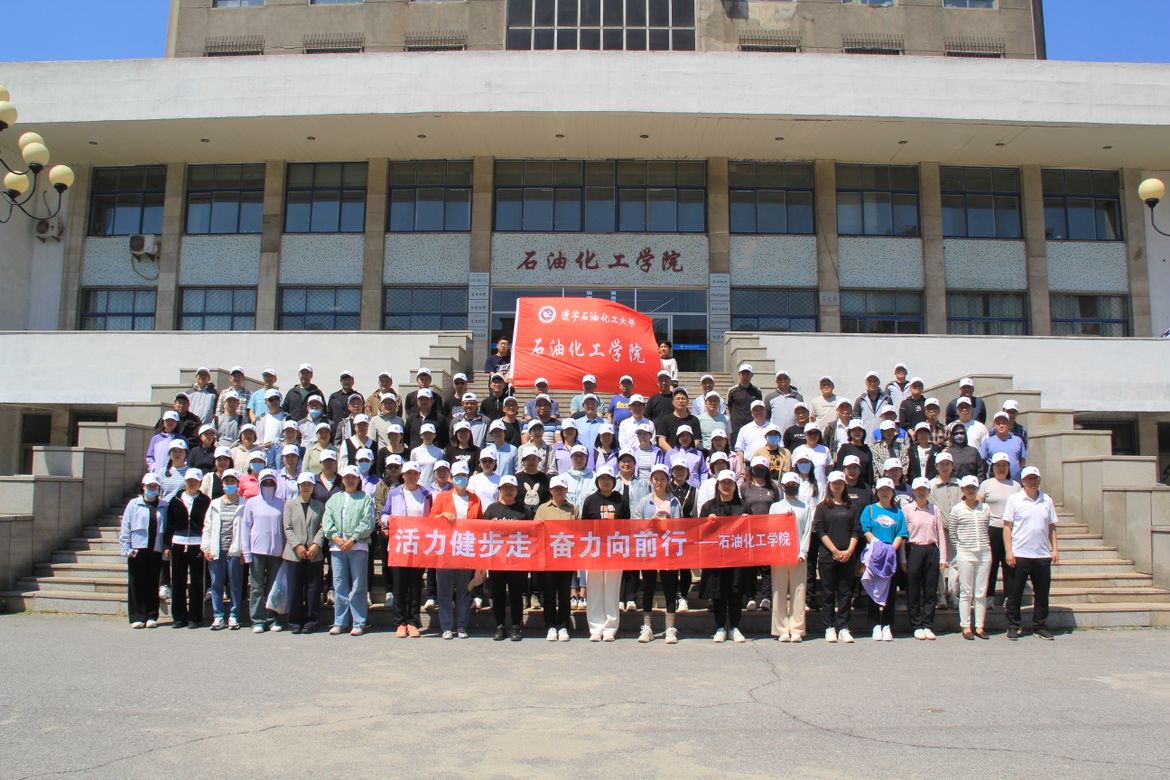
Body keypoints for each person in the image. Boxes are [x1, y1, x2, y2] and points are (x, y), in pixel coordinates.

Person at [1003, 467, 1059, 640]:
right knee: (1015, 593)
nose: (1032, 482)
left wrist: (1055, 549)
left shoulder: (1046, 500)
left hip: (1041, 554)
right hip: (1020, 553)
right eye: (1029, 479)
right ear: (1023, 481)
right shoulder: (1014, 499)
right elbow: (1007, 527)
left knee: (1042, 594)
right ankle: (1013, 625)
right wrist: (1009, 551)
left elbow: (1051, 526)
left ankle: (1040, 625)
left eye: (1035, 478)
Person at [632, 464, 683, 644]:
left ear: (668, 480)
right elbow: (635, 523)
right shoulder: (645, 501)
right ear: (651, 480)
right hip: (650, 550)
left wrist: (670, 523)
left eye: (662, 479)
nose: (659, 482)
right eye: (656, 479)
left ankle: (670, 627)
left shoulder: (674, 502)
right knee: (648, 588)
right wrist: (650, 522)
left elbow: (681, 526)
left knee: (670, 588)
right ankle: (647, 627)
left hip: (669, 550)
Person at [431, 463, 483, 639]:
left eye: (464, 475)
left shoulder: (475, 499)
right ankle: (446, 626)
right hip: (446, 550)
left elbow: (480, 524)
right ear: (451, 478)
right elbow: (430, 520)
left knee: (464, 589)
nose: (461, 478)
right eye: (457, 475)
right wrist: (442, 516)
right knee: (444, 590)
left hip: (466, 549)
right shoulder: (442, 498)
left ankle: (461, 625)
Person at [382, 461, 432, 637]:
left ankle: (412, 622)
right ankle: (400, 622)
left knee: (415, 584)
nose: (411, 476)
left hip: (419, 545)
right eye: (408, 473)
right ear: (402, 475)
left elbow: (432, 517)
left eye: (414, 473)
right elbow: (384, 514)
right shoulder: (395, 493)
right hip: (400, 545)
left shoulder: (427, 494)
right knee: (400, 584)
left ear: (419, 475)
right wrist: (387, 521)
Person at [323, 465, 375, 636]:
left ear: (359, 479)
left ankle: (358, 621)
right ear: (342, 480)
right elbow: (327, 521)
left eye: (353, 477)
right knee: (339, 585)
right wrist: (336, 538)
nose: (350, 480)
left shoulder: (365, 498)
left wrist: (353, 538)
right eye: (347, 477)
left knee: (358, 585)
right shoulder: (334, 499)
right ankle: (340, 621)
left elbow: (368, 522)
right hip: (337, 548)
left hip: (358, 546)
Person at [581, 466, 629, 642]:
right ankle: (595, 628)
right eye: (602, 478)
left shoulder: (621, 500)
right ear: (597, 481)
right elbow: (583, 526)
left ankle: (610, 628)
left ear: (613, 481)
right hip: (594, 550)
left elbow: (627, 524)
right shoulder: (590, 500)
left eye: (609, 478)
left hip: (614, 550)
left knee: (612, 589)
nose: (606, 481)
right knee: (594, 589)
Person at [700, 470, 748, 643]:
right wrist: (707, 522)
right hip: (716, 558)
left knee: (736, 592)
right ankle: (720, 627)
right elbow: (699, 532)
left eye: (730, 483)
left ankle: (735, 627)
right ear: (718, 485)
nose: (726, 486)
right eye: (723, 483)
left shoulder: (743, 506)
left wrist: (747, 521)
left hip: (737, 557)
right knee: (718, 592)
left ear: (735, 486)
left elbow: (752, 533)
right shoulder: (708, 507)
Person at [813, 472, 861, 643]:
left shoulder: (852, 506)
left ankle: (844, 627)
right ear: (829, 485)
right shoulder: (822, 507)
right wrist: (834, 550)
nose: (838, 486)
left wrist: (849, 551)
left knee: (845, 593)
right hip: (828, 556)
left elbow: (856, 530)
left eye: (840, 483)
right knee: (828, 592)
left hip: (848, 556)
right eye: (834, 483)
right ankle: (829, 626)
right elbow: (820, 531)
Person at [860, 478, 908, 641]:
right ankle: (875, 624)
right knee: (873, 589)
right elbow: (865, 529)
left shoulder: (898, 513)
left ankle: (887, 624)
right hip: (874, 553)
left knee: (890, 590)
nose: (885, 492)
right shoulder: (870, 509)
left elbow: (901, 533)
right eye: (881, 490)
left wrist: (891, 549)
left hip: (890, 554)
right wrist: (877, 545)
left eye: (888, 490)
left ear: (893, 492)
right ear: (877, 492)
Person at [120, 473, 169, 629]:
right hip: (137, 548)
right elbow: (126, 526)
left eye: (155, 486)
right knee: (136, 583)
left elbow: (167, 528)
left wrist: (166, 547)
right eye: (149, 486)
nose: (152, 489)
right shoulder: (134, 504)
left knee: (153, 582)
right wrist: (127, 548)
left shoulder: (164, 506)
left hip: (155, 549)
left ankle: (151, 615)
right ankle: (137, 615)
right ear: (143, 487)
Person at [240, 469, 286, 633]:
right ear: (259, 484)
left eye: (270, 482)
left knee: (273, 588)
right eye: (265, 482)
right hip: (257, 551)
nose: (268, 485)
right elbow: (246, 527)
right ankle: (257, 620)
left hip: (276, 551)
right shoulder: (252, 503)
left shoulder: (281, 503)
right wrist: (246, 551)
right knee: (257, 587)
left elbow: (284, 528)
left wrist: (285, 550)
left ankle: (271, 618)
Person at [770, 471, 814, 642]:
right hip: (779, 556)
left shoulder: (805, 507)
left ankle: (797, 628)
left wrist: (803, 552)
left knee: (798, 592)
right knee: (779, 591)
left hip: (798, 556)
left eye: (794, 485)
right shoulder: (775, 507)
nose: (791, 488)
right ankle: (781, 628)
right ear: (782, 486)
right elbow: (770, 530)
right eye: (788, 485)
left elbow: (807, 532)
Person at [484, 475, 528, 641]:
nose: (508, 491)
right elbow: (482, 533)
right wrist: (490, 526)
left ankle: (516, 626)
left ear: (516, 490)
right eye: (505, 488)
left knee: (516, 595)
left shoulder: (524, 510)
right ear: (500, 490)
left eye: (511, 488)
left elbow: (531, 534)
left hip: (517, 560)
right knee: (498, 595)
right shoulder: (492, 509)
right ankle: (500, 626)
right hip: (497, 560)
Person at [535, 475, 579, 642]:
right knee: (549, 593)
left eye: (561, 488)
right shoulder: (542, 509)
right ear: (550, 490)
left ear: (566, 490)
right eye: (556, 488)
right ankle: (550, 625)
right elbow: (536, 531)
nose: (559, 491)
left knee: (564, 593)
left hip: (567, 557)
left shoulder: (573, 509)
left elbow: (579, 532)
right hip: (548, 558)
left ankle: (563, 625)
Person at [165, 469, 210, 629]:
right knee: (178, 580)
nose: (192, 483)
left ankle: (195, 618)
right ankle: (179, 617)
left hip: (197, 543)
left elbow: (208, 523)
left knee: (197, 581)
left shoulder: (205, 501)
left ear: (200, 483)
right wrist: (166, 545)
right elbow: (169, 524)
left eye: (195, 481)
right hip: (178, 542)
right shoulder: (175, 500)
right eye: (189, 480)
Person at [282, 472, 326, 634]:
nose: (306, 487)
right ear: (298, 486)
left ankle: (310, 621)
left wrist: (316, 545)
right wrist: (297, 546)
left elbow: (323, 527)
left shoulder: (319, 506)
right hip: (294, 553)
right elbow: (288, 527)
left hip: (314, 553)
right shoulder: (289, 505)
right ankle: (294, 622)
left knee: (313, 590)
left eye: (309, 484)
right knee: (294, 589)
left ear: (313, 487)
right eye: (303, 485)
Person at [949, 475, 992, 640]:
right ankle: (966, 626)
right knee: (966, 591)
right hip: (965, 552)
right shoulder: (957, 509)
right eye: (967, 488)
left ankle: (980, 626)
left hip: (984, 552)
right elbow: (953, 532)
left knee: (981, 591)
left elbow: (986, 526)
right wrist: (961, 548)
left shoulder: (985, 508)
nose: (970, 490)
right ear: (962, 490)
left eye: (973, 487)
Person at [904, 476, 946, 641]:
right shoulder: (907, 509)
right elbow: (903, 535)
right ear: (913, 491)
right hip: (914, 549)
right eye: (918, 489)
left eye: (924, 489)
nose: (921, 492)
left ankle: (927, 624)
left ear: (928, 491)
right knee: (913, 590)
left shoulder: (935, 509)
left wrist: (943, 558)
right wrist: (902, 559)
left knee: (930, 590)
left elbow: (940, 534)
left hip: (931, 550)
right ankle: (916, 625)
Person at [202, 468, 245, 630]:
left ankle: (233, 615)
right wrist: (206, 547)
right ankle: (218, 616)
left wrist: (244, 550)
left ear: (238, 484)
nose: (229, 484)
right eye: (227, 481)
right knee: (216, 584)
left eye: (232, 481)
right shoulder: (214, 504)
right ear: (222, 484)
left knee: (235, 584)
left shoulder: (244, 504)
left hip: (235, 550)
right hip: (217, 549)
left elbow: (247, 528)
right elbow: (207, 526)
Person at [978, 453, 1023, 609]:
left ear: (1009, 467)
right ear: (993, 467)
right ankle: (989, 595)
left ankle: (1009, 596)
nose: (1001, 468)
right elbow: (979, 505)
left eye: (1004, 465)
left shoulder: (1016, 486)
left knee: (1009, 564)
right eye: (998, 465)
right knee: (990, 563)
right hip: (991, 528)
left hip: (1011, 530)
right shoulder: (986, 484)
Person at [740, 456, 778, 612]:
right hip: (750, 533)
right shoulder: (744, 487)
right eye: (756, 468)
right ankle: (750, 597)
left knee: (767, 567)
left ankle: (766, 597)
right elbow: (741, 506)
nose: (759, 470)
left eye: (762, 468)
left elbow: (778, 507)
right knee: (750, 567)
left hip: (768, 533)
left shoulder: (773, 487)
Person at [928, 452, 963, 609]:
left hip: (957, 529)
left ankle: (953, 595)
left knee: (956, 563)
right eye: (941, 464)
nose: (944, 467)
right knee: (940, 563)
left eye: (947, 464)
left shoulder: (960, 484)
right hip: (938, 529)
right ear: (936, 466)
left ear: (952, 466)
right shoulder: (930, 485)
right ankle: (941, 595)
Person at [980, 411, 1027, 481]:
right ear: (994, 425)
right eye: (998, 423)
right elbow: (982, 462)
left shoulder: (1018, 440)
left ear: (1008, 424)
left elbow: (1022, 461)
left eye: (1004, 423)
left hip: (1014, 483)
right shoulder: (987, 442)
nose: (1001, 425)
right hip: (995, 483)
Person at [656, 388, 701, 453]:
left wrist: (687, 453)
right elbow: (661, 441)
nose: (680, 401)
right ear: (673, 402)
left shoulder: (694, 420)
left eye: (683, 398)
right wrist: (674, 454)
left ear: (687, 401)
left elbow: (697, 441)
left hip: (689, 455)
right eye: (678, 399)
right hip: (671, 456)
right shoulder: (665, 419)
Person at [726, 363, 762, 443]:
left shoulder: (757, 391)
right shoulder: (732, 391)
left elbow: (759, 408)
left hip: (752, 427)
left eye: (747, 374)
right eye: (743, 374)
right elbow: (729, 407)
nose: (745, 376)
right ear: (739, 375)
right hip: (736, 428)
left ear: (751, 375)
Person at [733, 402, 771, 476]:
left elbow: (780, 448)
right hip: (749, 467)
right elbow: (740, 451)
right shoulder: (744, 429)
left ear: (765, 411)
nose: (758, 412)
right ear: (752, 413)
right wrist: (741, 468)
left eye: (761, 409)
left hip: (769, 467)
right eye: (755, 410)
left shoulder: (773, 428)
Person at [835, 420, 874, 489]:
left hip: (863, 487)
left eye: (859, 430)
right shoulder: (844, 448)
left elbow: (870, 472)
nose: (857, 432)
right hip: (847, 487)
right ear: (850, 432)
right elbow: (839, 469)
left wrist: (869, 488)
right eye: (854, 430)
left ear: (863, 432)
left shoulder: (867, 450)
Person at [765, 370, 804, 434]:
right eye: (780, 379)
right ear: (776, 381)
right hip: (776, 434)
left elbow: (803, 416)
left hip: (793, 435)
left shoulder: (798, 397)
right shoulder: (769, 397)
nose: (782, 380)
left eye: (785, 378)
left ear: (789, 381)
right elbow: (766, 417)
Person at [853, 370, 890, 436]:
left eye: (874, 381)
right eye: (869, 381)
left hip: (883, 437)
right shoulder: (860, 400)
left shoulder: (887, 399)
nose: (872, 384)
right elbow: (856, 420)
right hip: (865, 438)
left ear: (878, 382)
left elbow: (891, 418)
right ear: (865, 383)